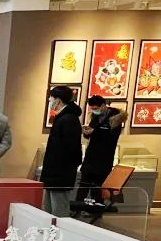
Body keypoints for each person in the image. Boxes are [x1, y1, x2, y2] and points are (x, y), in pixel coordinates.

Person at [41, 86, 83, 216]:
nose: (50, 101)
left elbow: (72, 148)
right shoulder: (62, 118)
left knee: (59, 209)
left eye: (51, 98)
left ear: (58, 100)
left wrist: (61, 168)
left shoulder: (69, 119)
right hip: (54, 172)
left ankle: (58, 230)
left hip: (60, 172)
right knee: (49, 208)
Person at [77, 95, 126, 203]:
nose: (94, 111)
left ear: (103, 105)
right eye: (92, 109)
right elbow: (91, 133)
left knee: (98, 189)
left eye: (96, 108)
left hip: (104, 159)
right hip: (90, 158)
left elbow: (111, 137)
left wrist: (95, 131)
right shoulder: (95, 117)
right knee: (83, 187)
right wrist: (86, 132)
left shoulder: (115, 118)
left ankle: (96, 209)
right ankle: (78, 208)